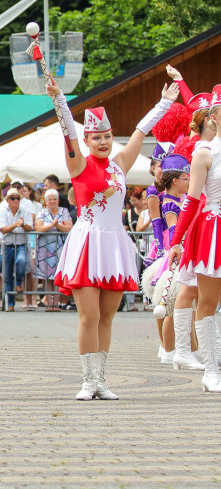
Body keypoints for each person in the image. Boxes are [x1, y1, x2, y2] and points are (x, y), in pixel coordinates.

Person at [47, 74, 179, 400]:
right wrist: (60, 100)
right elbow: (67, 132)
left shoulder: (120, 164)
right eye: (97, 138)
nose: (104, 142)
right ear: (88, 140)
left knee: (107, 317)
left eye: (107, 136)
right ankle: (87, 380)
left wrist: (164, 103)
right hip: (88, 241)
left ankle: (101, 380)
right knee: (88, 316)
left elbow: (139, 131)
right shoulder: (78, 165)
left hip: (114, 243)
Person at [167, 86, 221, 393]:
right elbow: (191, 200)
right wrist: (176, 240)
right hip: (214, 230)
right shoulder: (204, 153)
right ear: (212, 117)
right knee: (209, 301)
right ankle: (210, 370)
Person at [153, 152, 191, 363]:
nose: (188, 181)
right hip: (176, 250)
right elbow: (174, 228)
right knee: (171, 305)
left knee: (179, 305)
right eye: (185, 178)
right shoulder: (169, 203)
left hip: (180, 248)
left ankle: (176, 350)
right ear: (175, 181)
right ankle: (168, 350)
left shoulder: (179, 199)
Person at [34, 189, 72, 311]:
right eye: (50, 199)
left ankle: (56, 303)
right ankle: (49, 303)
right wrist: (51, 225)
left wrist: (58, 226)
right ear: (46, 201)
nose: (52, 201)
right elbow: (38, 228)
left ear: (58, 200)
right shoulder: (42, 212)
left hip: (59, 246)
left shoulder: (64, 211)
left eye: (54, 199)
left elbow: (69, 227)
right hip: (45, 247)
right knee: (46, 276)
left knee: (57, 276)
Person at [0, 188, 32, 311]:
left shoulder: (25, 211)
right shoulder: (2, 211)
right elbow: (2, 229)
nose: (16, 200)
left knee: (21, 261)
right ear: (8, 200)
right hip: (7, 245)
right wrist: (15, 225)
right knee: (6, 275)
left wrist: (22, 224)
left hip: (21, 244)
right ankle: (9, 303)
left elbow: (30, 228)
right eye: (13, 198)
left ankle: (18, 283)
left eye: (18, 198)